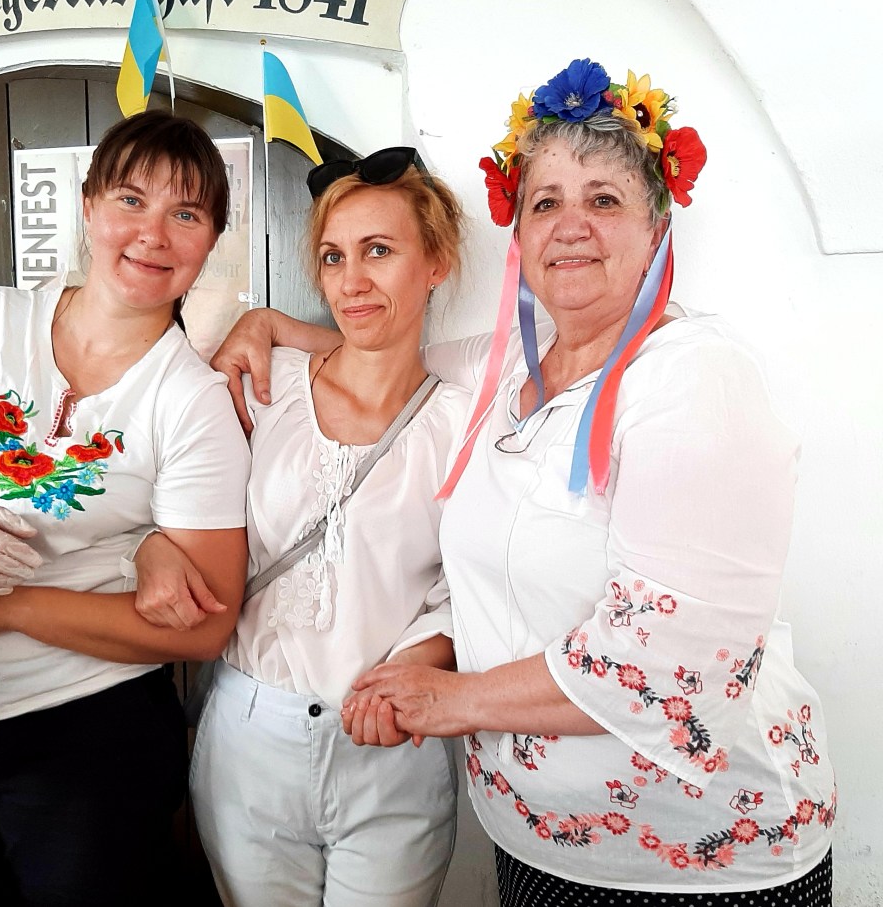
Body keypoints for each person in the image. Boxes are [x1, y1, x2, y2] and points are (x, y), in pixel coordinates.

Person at [209, 60, 836, 905]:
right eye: (545, 202)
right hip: (539, 843)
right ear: (520, 234)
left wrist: (456, 699)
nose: (571, 226)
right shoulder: (507, 369)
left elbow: (667, 663)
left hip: (695, 857)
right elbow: (381, 353)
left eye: (603, 199)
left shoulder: (692, 380)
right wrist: (265, 324)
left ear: (657, 227)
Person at [0, 110, 251, 906]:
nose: (152, 234)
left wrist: (1, 608)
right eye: (131, 200)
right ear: (88, 204)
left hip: (87, 721)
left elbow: (204, 625)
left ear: (211, 240)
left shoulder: (192, 400)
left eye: (186, 214)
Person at [134, 147, 470, 906]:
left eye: (378, 251)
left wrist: (420, 661)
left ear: (437, 262)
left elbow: (471, 578)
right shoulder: (261, 383)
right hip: (250, 732)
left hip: (392, 740)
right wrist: (153, 544)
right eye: (333, 257)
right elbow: (159, 487)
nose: (351, 282)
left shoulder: (463, 421)